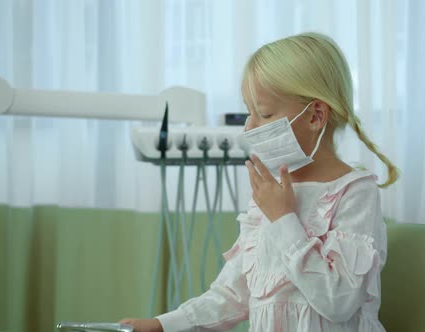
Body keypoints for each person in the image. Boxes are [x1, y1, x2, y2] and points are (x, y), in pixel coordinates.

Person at [120, 32, 399, 332]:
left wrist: (284, 219)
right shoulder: (268, 195)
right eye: (248, 112)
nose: (250, 126)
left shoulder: (354, 193)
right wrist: (161, 325)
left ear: (315, 116)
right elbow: (232, 295)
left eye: (264, 113)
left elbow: (339, 301)